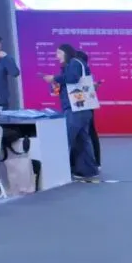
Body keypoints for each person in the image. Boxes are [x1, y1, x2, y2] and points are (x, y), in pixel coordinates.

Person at [42, 44, 99, 182]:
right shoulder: (74, 65)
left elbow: (73, 78)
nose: (56, 56)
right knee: (82, 141)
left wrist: (54, 78)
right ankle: (88, 170)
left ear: (66, 52)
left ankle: (57, 172)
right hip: (82, 108)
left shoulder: (74, 63)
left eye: (58, 53)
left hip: (75, 109)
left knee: (65, 140)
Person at [76, 51, 102, 168]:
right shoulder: (79, 72)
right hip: (81, 106)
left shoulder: (85, 73)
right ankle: (91, 162)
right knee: (88, 134)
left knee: (90, 133)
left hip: (85, 106)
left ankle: (94, 163)